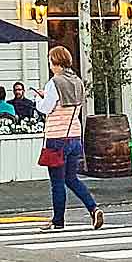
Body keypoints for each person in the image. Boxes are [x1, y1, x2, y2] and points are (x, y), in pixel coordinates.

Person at [37, 46, 103, 231]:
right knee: (71, 178)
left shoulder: (54, 83)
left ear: (56, 62)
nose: (50, 65)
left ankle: (58, 220)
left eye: (51, 61)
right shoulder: (78, 82)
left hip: (57, 137)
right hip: (74, 134)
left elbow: (46, 108)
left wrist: (38, 99)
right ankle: (93, 208)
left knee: (57, 182)